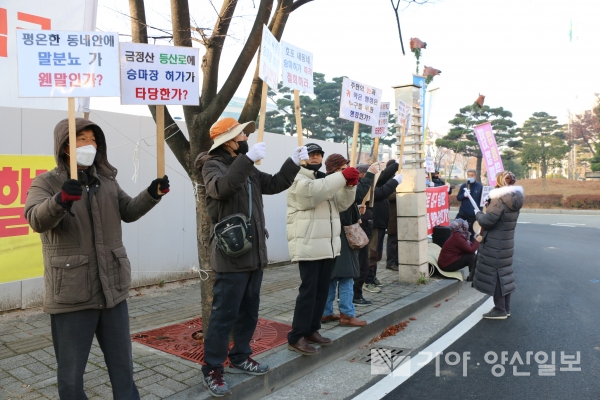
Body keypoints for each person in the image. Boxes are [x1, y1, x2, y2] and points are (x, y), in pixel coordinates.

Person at [24, 118, 170, 400]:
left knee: (123, 369)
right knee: (71, 375)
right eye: (81, 139)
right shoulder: (46, 182)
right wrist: (60, 200)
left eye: (93, 139)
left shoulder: (106, 181)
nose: (88, 145)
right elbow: (35, 219)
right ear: (64, 146)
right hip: (72, 294)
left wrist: (152, 194)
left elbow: (127, 210)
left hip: (112, 289)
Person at [195, 118, 306, 397]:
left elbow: (275, 183)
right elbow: (220, 188)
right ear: (230, 140)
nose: (246, 136)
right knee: (224, 314)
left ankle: (241, 355)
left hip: (254, 253)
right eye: (241, 133)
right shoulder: (212, 165)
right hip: (230, 256)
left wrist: (292, 162)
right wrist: (246, 160)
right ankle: (212, 368)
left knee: (249, 310)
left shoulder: (248, 167)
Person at [286, 143, 358, 355]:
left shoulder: (323, 180)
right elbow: (313, 195)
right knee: (308, 292)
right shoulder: (297, 178)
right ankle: (296, 335)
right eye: (311, 154)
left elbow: (342, 204)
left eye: (318, 154)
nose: (315, 158)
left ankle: (312, 330)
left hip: (327, 244)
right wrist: (342, 177)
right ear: (302, 158)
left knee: (321, 290)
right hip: (309, 244)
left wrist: (350, 186)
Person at [321, 154, 370, 327]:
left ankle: (325, 312)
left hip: (329, 235)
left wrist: (357, 212)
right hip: (342, 236)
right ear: (334, 169)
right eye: (343, 168)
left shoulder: (322, 184)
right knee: (346, 276)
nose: (346, 172)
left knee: (331, 277)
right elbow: (345, 207)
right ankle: (347, 314)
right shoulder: (337, 185)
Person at [472, 171, 523, 320]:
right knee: (504, 273)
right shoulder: (515, 198)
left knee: (497, 276)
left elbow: (487, 221)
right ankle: (505, 308)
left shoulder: (499, 199)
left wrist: (478, 214)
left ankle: (499, 309)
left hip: (494, 242)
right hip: (506, 242)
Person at [367, 159, 402, 290]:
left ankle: (372, 276)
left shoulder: (378, 180)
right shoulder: (370, 184)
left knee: (377, 253)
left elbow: (385, 176)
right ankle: (367, 280)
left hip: (381, 222)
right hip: (374, 222)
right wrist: (395, 178)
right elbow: (383, 191)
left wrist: (396, 165)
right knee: (372, 253)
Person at [456, 169, 483, 238]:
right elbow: (458, 198)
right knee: (455, 226)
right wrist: (464, 195)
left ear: (476, 176)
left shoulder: (479, 186)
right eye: (468, 175)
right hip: (463, 212)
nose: (470, 177)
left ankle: (470, 247)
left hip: (473, 214)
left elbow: (482, 201)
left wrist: (479, 211)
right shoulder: (463, 186)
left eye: (472, 175)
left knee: (470, 233)